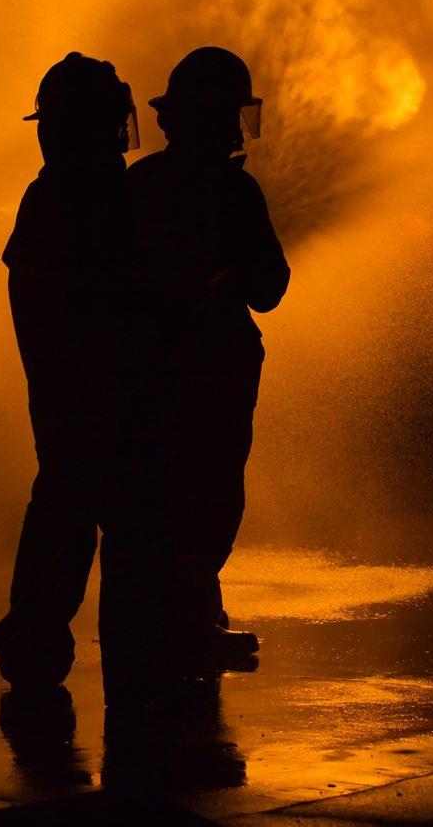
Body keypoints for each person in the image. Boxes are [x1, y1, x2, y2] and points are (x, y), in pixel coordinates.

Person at [111, 47, 290, 676]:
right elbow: (270, 288)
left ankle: (171, 624)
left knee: (159, 501)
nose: (236, 132)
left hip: (149, 380)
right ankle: (188, 628)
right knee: (209, 499)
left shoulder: (138, 186)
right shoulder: (234, 192)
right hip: (214, 376)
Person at [0, 52, 139, 690]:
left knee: (66, 509)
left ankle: (36, 650)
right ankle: (98, 658)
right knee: (92, 516)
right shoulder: (86, 200)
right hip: (93, 396)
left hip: (69, 396)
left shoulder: (54, 195)